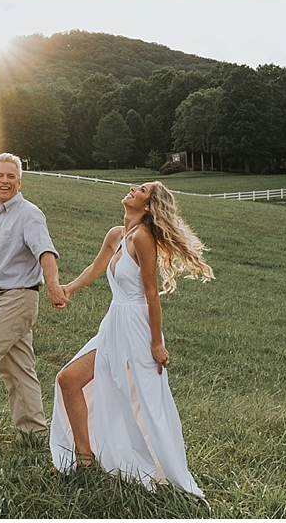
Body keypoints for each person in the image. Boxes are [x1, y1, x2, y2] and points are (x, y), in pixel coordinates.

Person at [49, 181, 213, 498]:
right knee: (68, 379)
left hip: (137, 327)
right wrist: (68, 288)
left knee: (146, 402)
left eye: (141, 190)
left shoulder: (142, 238)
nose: (132, 189)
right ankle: (85, 458)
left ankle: (158, 469)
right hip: (114, 324)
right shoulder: (117, 234)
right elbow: (95, 269)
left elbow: (152, 295)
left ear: (148, 206)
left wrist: (157, 343)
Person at [0, 152, 69, 446]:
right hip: (1, 299)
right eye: (0, 175)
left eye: (11, 176)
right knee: (18, 369)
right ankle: (34, 435)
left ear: (19, 181)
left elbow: (45, 251)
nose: (5, 181)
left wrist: (54, 285)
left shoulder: (29, 214)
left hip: (18, 299)